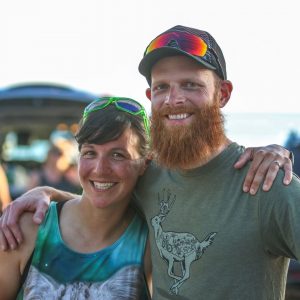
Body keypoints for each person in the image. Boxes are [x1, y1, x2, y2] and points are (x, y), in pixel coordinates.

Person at [0, 25, 296, 299]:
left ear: (223, 93)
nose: (174, 99)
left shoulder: (266, 182)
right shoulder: (150, 177)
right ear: (150, 96)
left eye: (190, 85)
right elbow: (102, 194)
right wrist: (44, 194)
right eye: (162, 87)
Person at [0, 97, 152, 299]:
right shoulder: (25, 230)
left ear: (145, 163)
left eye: (117, 155)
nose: (100, 169)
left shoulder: (151, 244)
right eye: (90, 153)